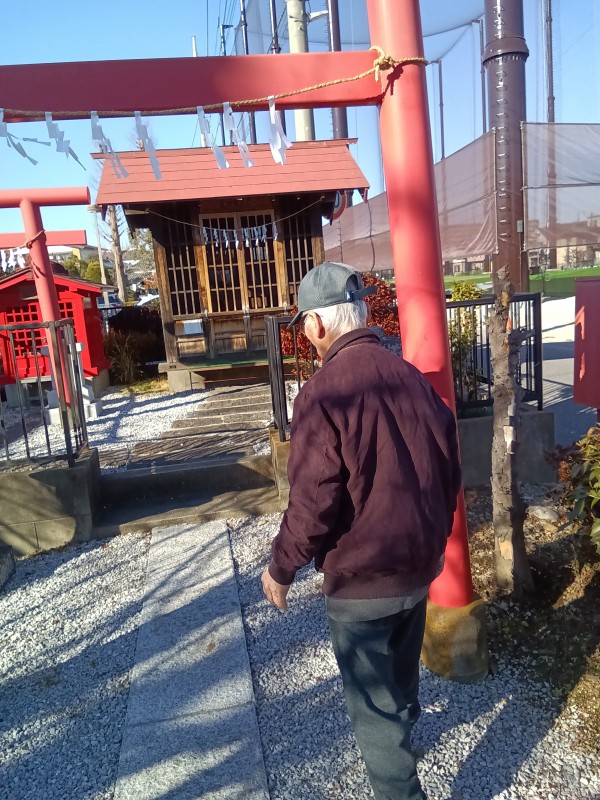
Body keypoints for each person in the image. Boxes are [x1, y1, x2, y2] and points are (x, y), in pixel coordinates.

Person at [261, 261, 461, 800]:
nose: (305, 333)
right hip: (418, 565)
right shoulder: (412, 378)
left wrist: (281, 567)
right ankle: (404, 740)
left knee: (374, 710)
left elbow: (312, 502)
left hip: (362, 580)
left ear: (317, 324)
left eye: (304, 323)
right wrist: (434, 538)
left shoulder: (323, 394)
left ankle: (399, 785)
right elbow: (449, 471)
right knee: (401, 677)